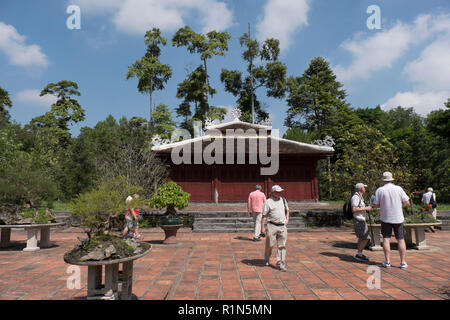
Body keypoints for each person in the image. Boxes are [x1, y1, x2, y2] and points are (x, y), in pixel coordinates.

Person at [373, 172, 410, 269]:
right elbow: (407, 202)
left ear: (383, 180)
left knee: (386, 239)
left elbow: (375, 205)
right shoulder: (398, 189)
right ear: (391, 179)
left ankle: (387, 261)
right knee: (401, 239)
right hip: (398, 217)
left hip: (385, 217)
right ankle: (402, 262)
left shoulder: (380, 190)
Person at [261, 185, 289, 272]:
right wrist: (262, 228)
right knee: (270, 244)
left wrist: (287, 219)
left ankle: (280, 262)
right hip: (271, 226)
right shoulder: (268, 202)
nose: (279, 193)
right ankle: (266, 259)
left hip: (282, 226)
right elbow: (264, 216)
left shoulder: (283, 200)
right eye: (277, 191)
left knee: (282, 245)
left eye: (280, 191)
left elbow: (287, 210)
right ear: (272, 192)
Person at [352, 183, 372, 262]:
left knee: (362, 237)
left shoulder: (360, 197)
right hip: (359, 220)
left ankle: (359, 253)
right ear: (361, 189)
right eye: (364, 187)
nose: (365, 189)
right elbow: (354, 209)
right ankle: (359, 254)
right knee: (366, 238)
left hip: (361, 220)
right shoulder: (356, 197)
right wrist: (366, 208)